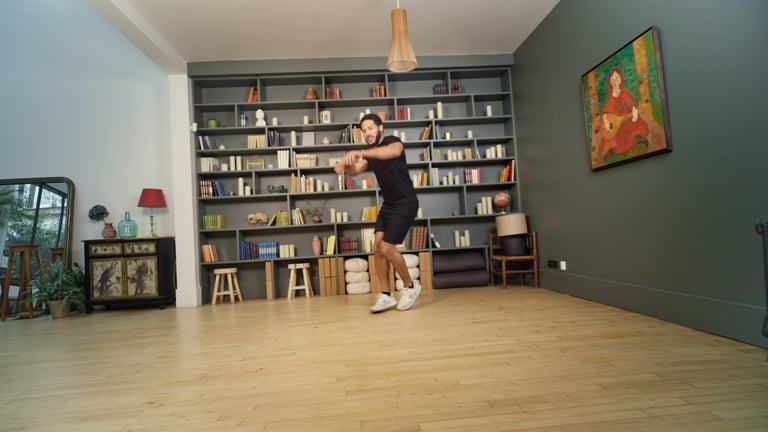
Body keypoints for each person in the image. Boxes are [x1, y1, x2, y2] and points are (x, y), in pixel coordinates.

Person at [334, 113, 421, 313]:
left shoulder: (392, 142)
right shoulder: (371, 155)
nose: (367, 133)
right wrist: (345, 166)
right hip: (388, 206)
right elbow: (355, 171)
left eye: (370, 128)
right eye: (364, 131)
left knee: (388, 247)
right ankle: (386, 295)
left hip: (405, 203)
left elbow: (392, 152)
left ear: (380, 128)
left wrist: (361, 152)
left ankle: (410, 287)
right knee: (377, 247)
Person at [598, 67, 650, 160]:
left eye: (617, 78)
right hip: (616, 126)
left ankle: (636, 141)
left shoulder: (625, 94)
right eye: (612, 79)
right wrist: (605, 122)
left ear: (620, 78)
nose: (615, 81)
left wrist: (634, 115)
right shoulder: (610, 98)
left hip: (627, 122)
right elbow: (605, 112)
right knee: (610, 139)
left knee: (629, 132)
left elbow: (633, 106)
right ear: (610, 82)